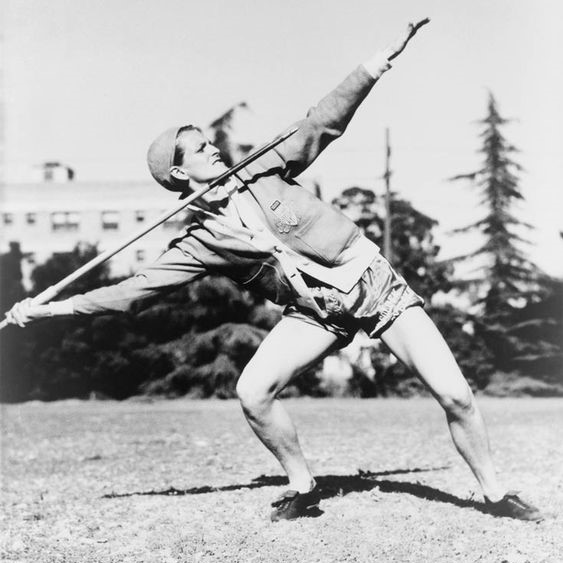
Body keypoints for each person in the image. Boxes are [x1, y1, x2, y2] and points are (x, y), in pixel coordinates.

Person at [5, 20, 543, 523]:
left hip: (375, 287)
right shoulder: (200, 242)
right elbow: (135, 292)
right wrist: (52, 307)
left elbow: (320, 124)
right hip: (317, 314)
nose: (213, 148)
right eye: (199, 149)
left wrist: (373, 66)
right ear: (178, 173)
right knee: (253, 391)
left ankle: (495, 494)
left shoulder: (261, 165)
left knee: (455, 395)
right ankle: (303, 487)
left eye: (208, 142)